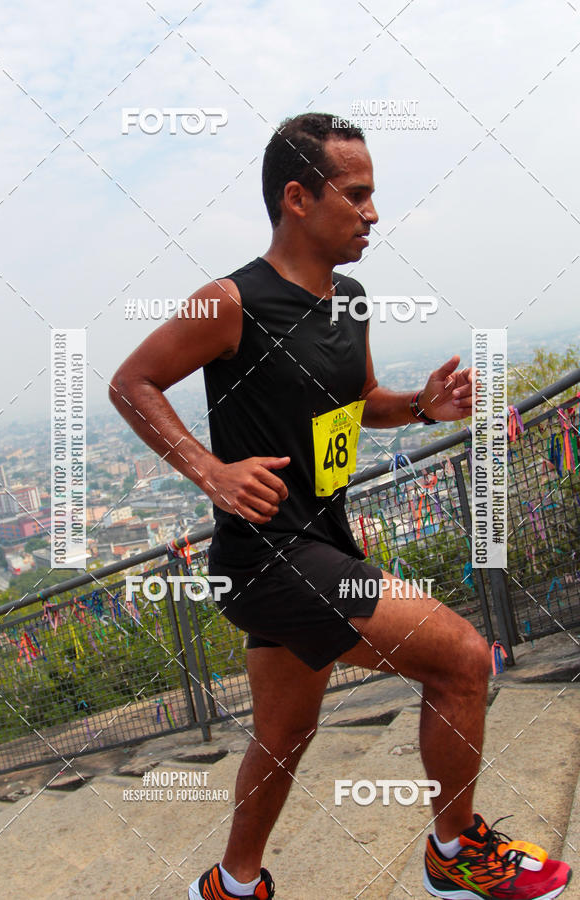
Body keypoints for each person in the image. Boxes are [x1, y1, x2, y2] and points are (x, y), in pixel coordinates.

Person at [109, 113, 572, 900]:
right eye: (356, 195)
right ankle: (454, 851)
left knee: (285, 733)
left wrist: (421, 408)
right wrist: (209, 471)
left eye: (373, 195)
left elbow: (357, 404)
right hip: (269, 560)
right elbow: (131, 382)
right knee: (461, 656)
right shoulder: (230, 301)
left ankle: (231, 881)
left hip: (321, 541)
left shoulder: (350, 299)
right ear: (297, 197)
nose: (373, 214)